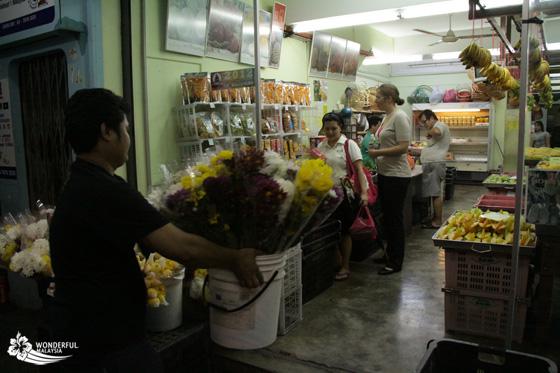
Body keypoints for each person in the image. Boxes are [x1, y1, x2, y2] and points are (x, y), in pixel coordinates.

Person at [49, 88, 264, 372]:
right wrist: (235, 257)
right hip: (107, 343)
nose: (129, 138)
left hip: (77, 330)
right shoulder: (107, 192)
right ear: (107, 132)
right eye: (125, 129)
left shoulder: (79, 181)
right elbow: (182, 248)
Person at [316, 112, 368, 281]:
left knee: (345, 231)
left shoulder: (348, 144)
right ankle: (335, 259)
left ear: (341, 128)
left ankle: (345, 265)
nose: (330, 132)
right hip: (326, 195)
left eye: (334, 128)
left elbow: (360, 170)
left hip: (345, 195)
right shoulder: (321, 146)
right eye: (327, 128)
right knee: (330, 229)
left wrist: (365, 193)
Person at [366, 84, 411, 275]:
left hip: (397, 175)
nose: (375, 100)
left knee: (394, 219)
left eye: (378, 97)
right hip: (385, 174)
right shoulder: (386, 117)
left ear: (389, 98)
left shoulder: (400, 117)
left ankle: (395, 261)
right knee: (387, 217)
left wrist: (378, 153)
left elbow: (403, 147)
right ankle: (388, 253)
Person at [409, 109, 450, 229]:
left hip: (435, 164)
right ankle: (434, 217)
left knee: (435, 193)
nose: (423, 125)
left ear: (432, 118)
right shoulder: (435, 127)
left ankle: (437, 221)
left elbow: (437, 131)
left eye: (424, 122)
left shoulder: (439, 125)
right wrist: (416, 151)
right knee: (432, 192)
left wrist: (429, 132)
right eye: (422, 123)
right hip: (431, 163)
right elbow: (432, 148)